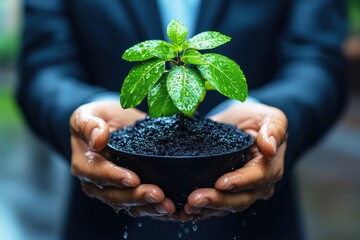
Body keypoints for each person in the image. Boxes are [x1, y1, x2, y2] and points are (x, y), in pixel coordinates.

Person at [17, 0, 347, 239]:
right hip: (106, 224)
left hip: (257, 224)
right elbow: (44, 67)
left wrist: (275, 115)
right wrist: (86, 111)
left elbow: (318, 60)